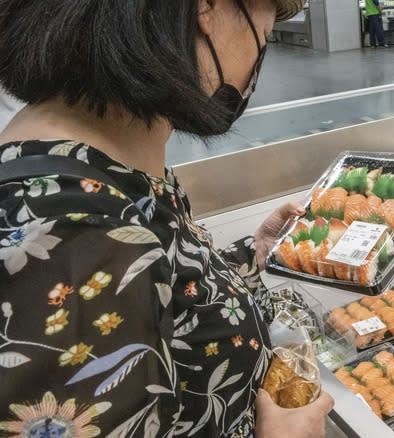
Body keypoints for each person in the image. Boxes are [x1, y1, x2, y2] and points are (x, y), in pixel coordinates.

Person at [0, 0, 334, 437]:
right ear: (206, 9)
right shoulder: (76, 231)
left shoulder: (107, 169)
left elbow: (166, 299)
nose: (256, 62)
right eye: (265, 36)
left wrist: (255, 255)